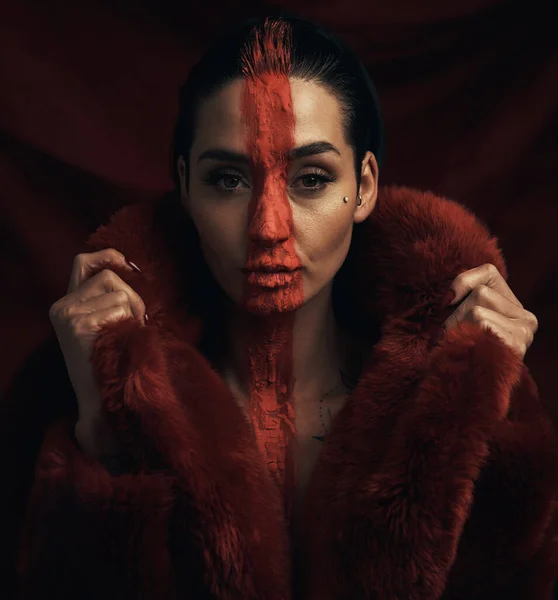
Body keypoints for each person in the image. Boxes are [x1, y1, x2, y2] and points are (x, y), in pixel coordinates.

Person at [5, 12, 558, 600]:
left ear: (364, 187)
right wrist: (106, 419)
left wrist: (475, 399)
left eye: (312, 178)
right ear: (185, 186)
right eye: (228, 181)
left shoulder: (462, 372)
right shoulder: (67, 386)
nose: (269, 228)